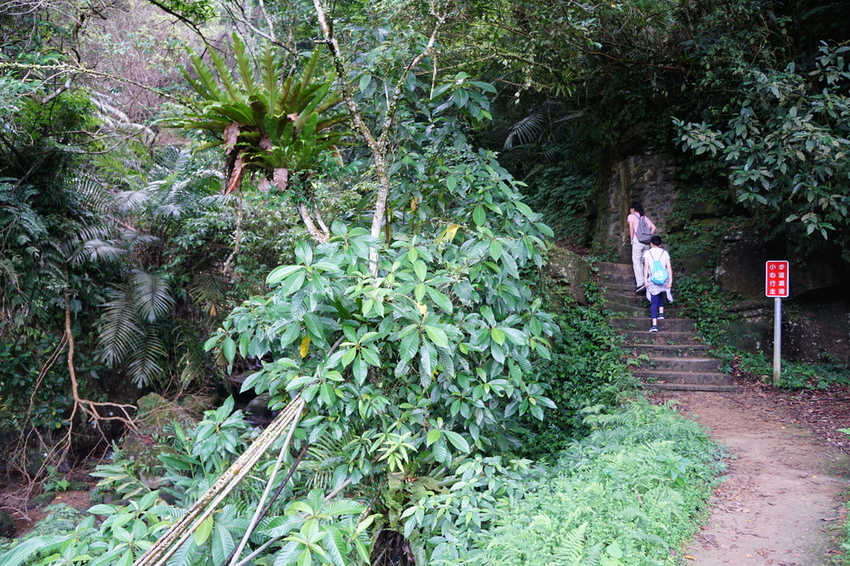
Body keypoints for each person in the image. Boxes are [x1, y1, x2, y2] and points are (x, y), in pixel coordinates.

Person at [643, 235, 673, 332]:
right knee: (660, 293)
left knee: (654, 301)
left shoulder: (647, 253)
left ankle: (654, 325)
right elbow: (669, 267)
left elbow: (646, 267)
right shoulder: (665, 253)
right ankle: (661, 313)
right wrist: (671, 280)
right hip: (664, 278)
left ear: (651, 244)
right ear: (660, 244)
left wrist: (645, 280)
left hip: (653, 278)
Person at [627, 202, 656, 293]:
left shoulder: (631, 216)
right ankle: (648, 281)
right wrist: (648, 236)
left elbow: (631, 228)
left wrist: (632, 239)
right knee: (645, 262)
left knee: (637, 262)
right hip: (647, 242)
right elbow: (653, 227)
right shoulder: (644, 217)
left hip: (637, 241)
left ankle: (641, 283)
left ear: (633, 209)